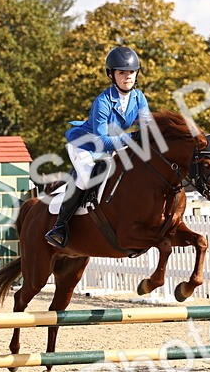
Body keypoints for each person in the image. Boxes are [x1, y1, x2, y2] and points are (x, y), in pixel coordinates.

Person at [45, 46, 153, 248]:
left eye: (131, 72)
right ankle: (60, 227)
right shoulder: (102, 102)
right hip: (85, 145)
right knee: (87, 179)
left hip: (112, 145)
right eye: (122, 72)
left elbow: (147, 128)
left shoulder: (139, 98)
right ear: (112, 75)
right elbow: (101, 140)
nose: (127, 77)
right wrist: (133, 138)